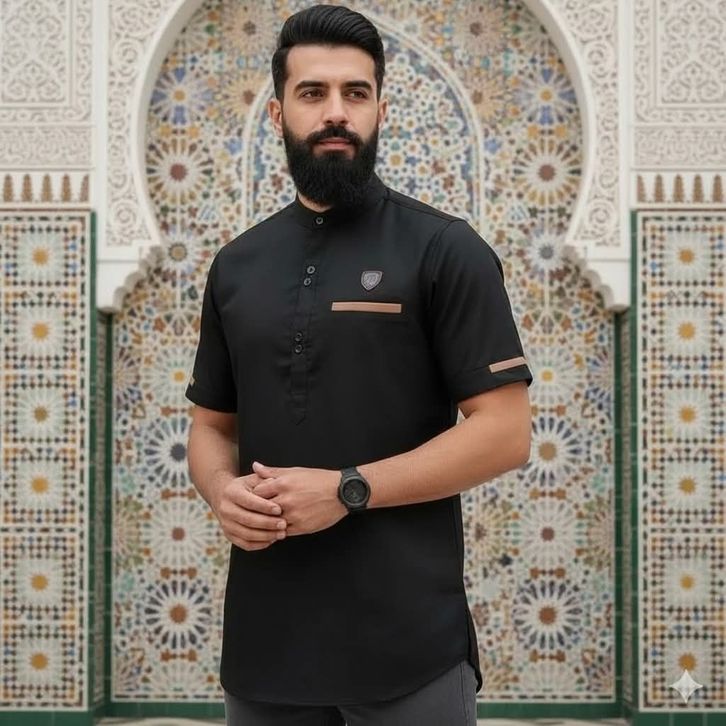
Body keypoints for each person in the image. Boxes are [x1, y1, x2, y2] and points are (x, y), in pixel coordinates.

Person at [185, 4, 533, 725]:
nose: (336, 112)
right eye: (313, 93)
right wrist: (220, 491)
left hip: (410, 649)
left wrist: (347, 490)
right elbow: (212, 426)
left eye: (356, 92)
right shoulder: (236, 266)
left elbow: (505, 433)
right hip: (264, 651)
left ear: (381, 109)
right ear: (279, 114)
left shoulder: (445, 250)